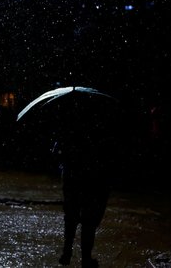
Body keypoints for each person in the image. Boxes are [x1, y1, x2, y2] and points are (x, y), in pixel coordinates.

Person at [56, 111, 111, 268]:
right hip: (92, 180)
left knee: (71, 216)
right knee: (89, 220)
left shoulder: (67, 131)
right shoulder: (99, 132)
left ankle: (67, 252)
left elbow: (57, 153)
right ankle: (85, 258)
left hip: (72, 179)